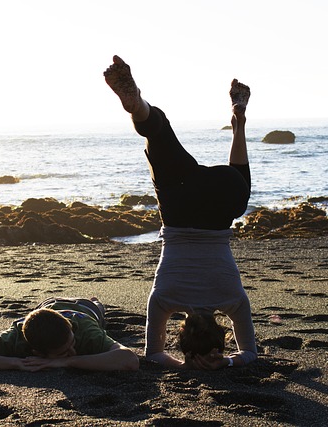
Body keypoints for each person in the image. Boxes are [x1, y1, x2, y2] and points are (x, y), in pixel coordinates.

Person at [104, 55, 257, 369]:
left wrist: (228, 362)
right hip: (179, 202)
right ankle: (138, 107)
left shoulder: (233, 301)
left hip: (222, 196)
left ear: (220, 332)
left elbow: (249, 355)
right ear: (182, 332)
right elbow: (155, 356)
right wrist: (184, 364)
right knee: (158, 135)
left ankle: (239, 123)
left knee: (238, 197)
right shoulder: (164, 301)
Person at [0, 296, 139, 371]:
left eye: (71, 343)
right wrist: (15, 363)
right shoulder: (16, 337)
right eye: (64, 351)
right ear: (37, 352)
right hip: (46, 305)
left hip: (84, 309)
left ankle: (96, 301)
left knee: (97, 306)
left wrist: (66, 360)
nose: (73, 349)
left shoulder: (86, 332)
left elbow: (130, 360)